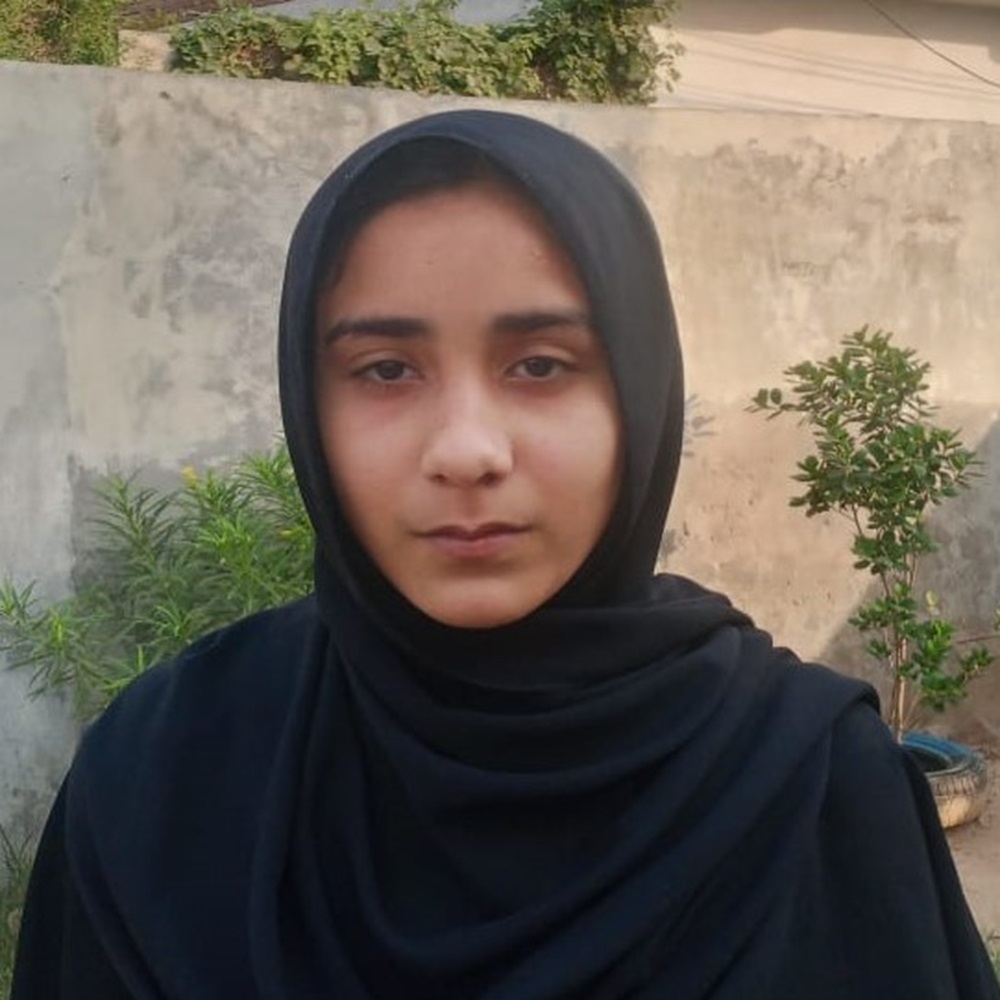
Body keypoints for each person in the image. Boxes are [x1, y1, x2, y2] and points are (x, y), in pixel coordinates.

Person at [12, 110, 999, 999]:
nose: (466, 450)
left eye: (539, 364)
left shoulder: (814, 787)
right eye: (385, 370)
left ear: (637, 392)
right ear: (311, 405)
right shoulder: (165, 781)